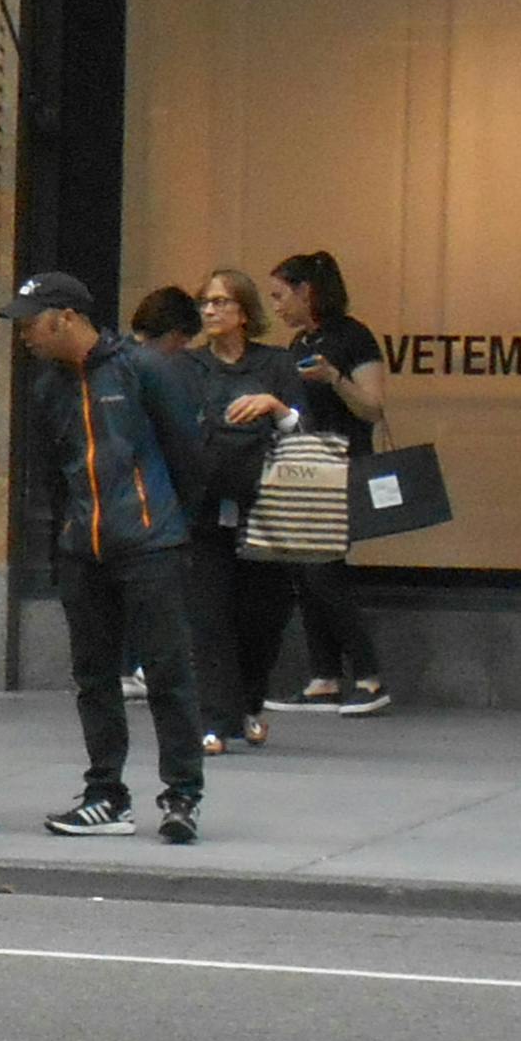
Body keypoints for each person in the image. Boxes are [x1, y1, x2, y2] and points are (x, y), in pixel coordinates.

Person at [6, 271, 216, 845]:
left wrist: (170, 525)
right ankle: (106, 795)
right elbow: (53, 471)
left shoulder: (143, 368)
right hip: (85, 549)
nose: (24, 334)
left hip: (150, 544)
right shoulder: (49, 386)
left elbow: (188, 455)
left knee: (169, 674)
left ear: (66, 317)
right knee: (94, 677)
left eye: (31, 322)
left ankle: (182, 794)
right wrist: (65, 540)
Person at [163, 267, 294, 754]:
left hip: (268, 510)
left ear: (244, 312)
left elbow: (308, 432)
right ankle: (212, 719)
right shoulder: (187, 366)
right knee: (208, 614)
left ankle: (249, 703)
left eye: (221, 302)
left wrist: (275, 407)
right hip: (204, 506)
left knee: (262, 616)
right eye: (206, 302)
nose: (211, 311)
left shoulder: (276, 366)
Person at [264, 250, 394, 714]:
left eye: (281, 295)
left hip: (343, 465)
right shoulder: (299, 344)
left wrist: (334, 378)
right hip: (305, 465)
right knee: (306, 571)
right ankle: (324, 676)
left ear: (306, 291)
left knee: (324, 571)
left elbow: (373, 407)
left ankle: (369, 675)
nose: (276, 306)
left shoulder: (351, 338)